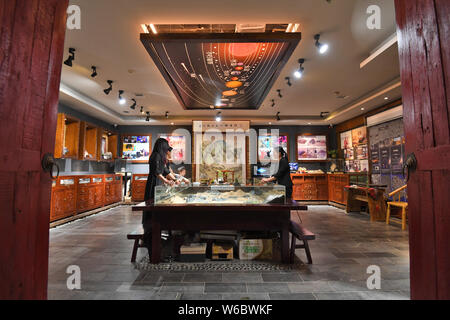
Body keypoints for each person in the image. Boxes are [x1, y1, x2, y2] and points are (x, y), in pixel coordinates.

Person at [142, 138, 178, 248]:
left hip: (159, 183)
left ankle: (156, 228)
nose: (168, 151)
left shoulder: (162, 157)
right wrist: (167, 181)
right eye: (166, 148)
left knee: (158, 205)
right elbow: (157, 172)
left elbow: (166, 171)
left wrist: (176, 180)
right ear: (162, 147)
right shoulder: (155, 156)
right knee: (151, 205)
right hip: (153, 183)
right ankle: (148, 233)